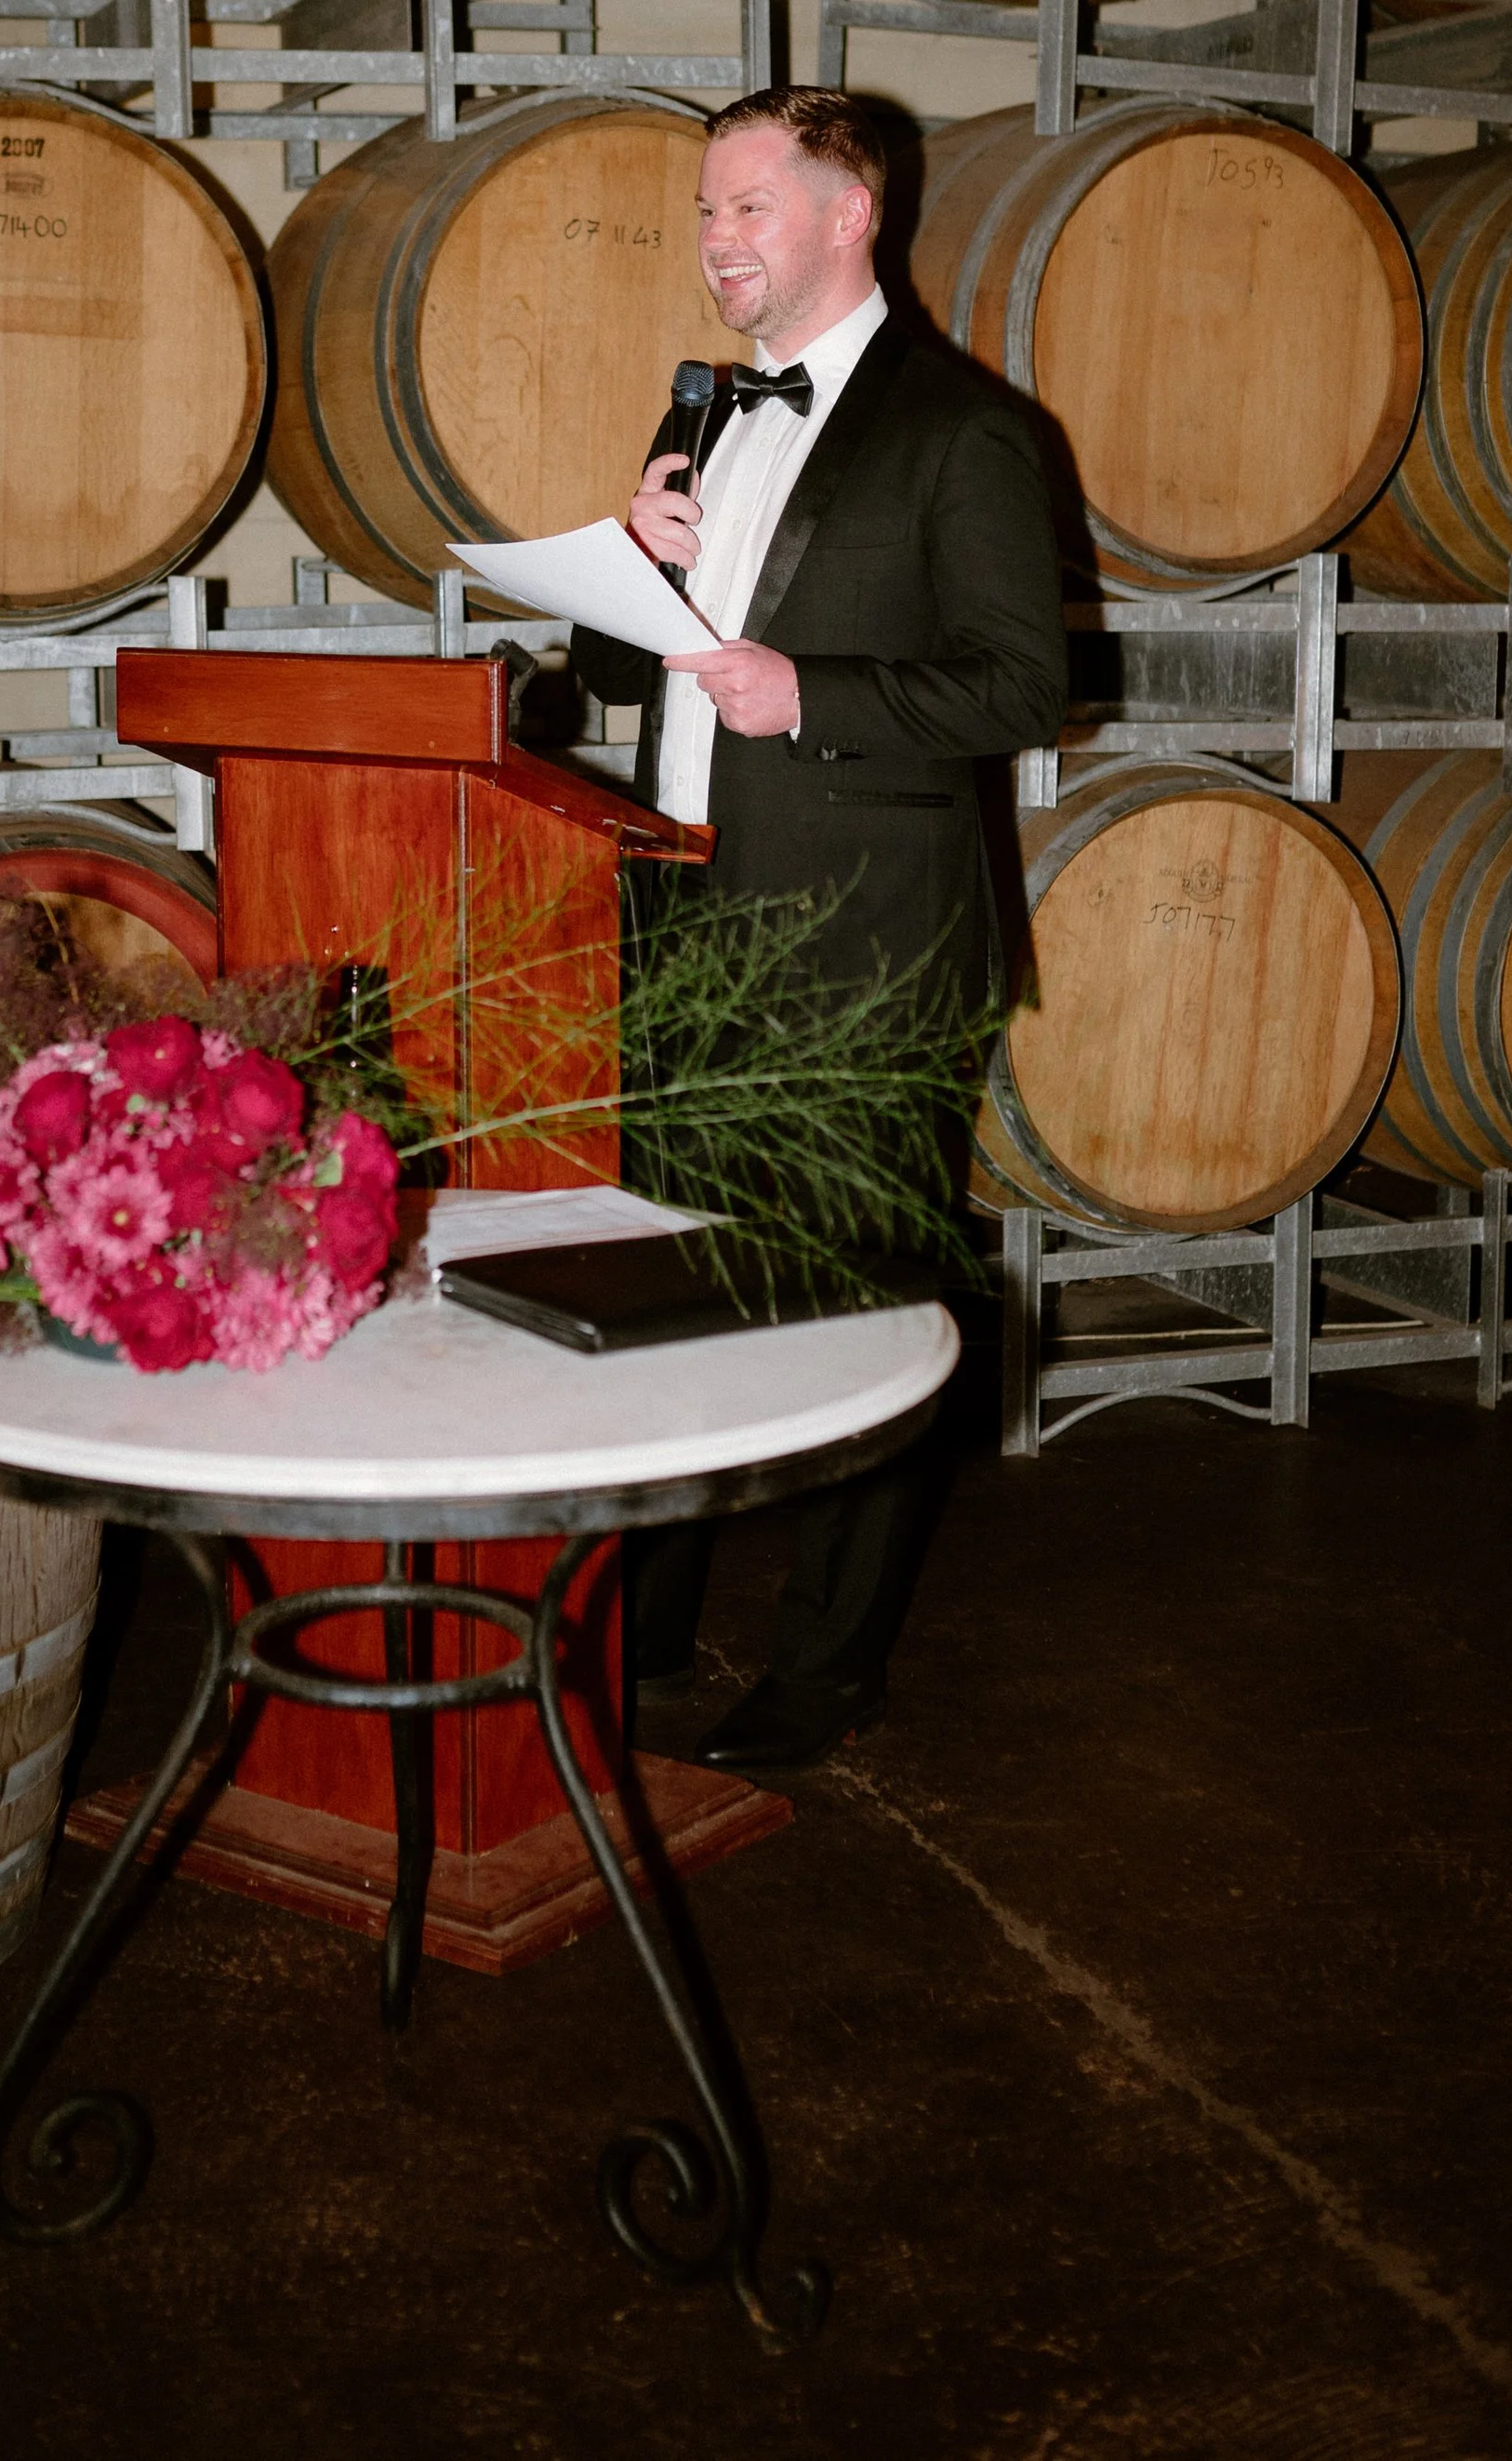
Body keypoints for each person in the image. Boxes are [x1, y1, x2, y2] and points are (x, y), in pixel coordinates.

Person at [570, 85, 1067, 1770]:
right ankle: (640, 1635)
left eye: (747, 209)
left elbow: (1027, 681)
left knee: (860, 1298)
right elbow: (622, 670)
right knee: (684, 1290)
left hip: (868, 941)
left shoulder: (965, 430)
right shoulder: (700, 411)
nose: (717, 244)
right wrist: (627, 572)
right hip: (693, 919)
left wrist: (817, 694)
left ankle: (829, 1668)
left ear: (850, 214)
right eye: (705, 213)